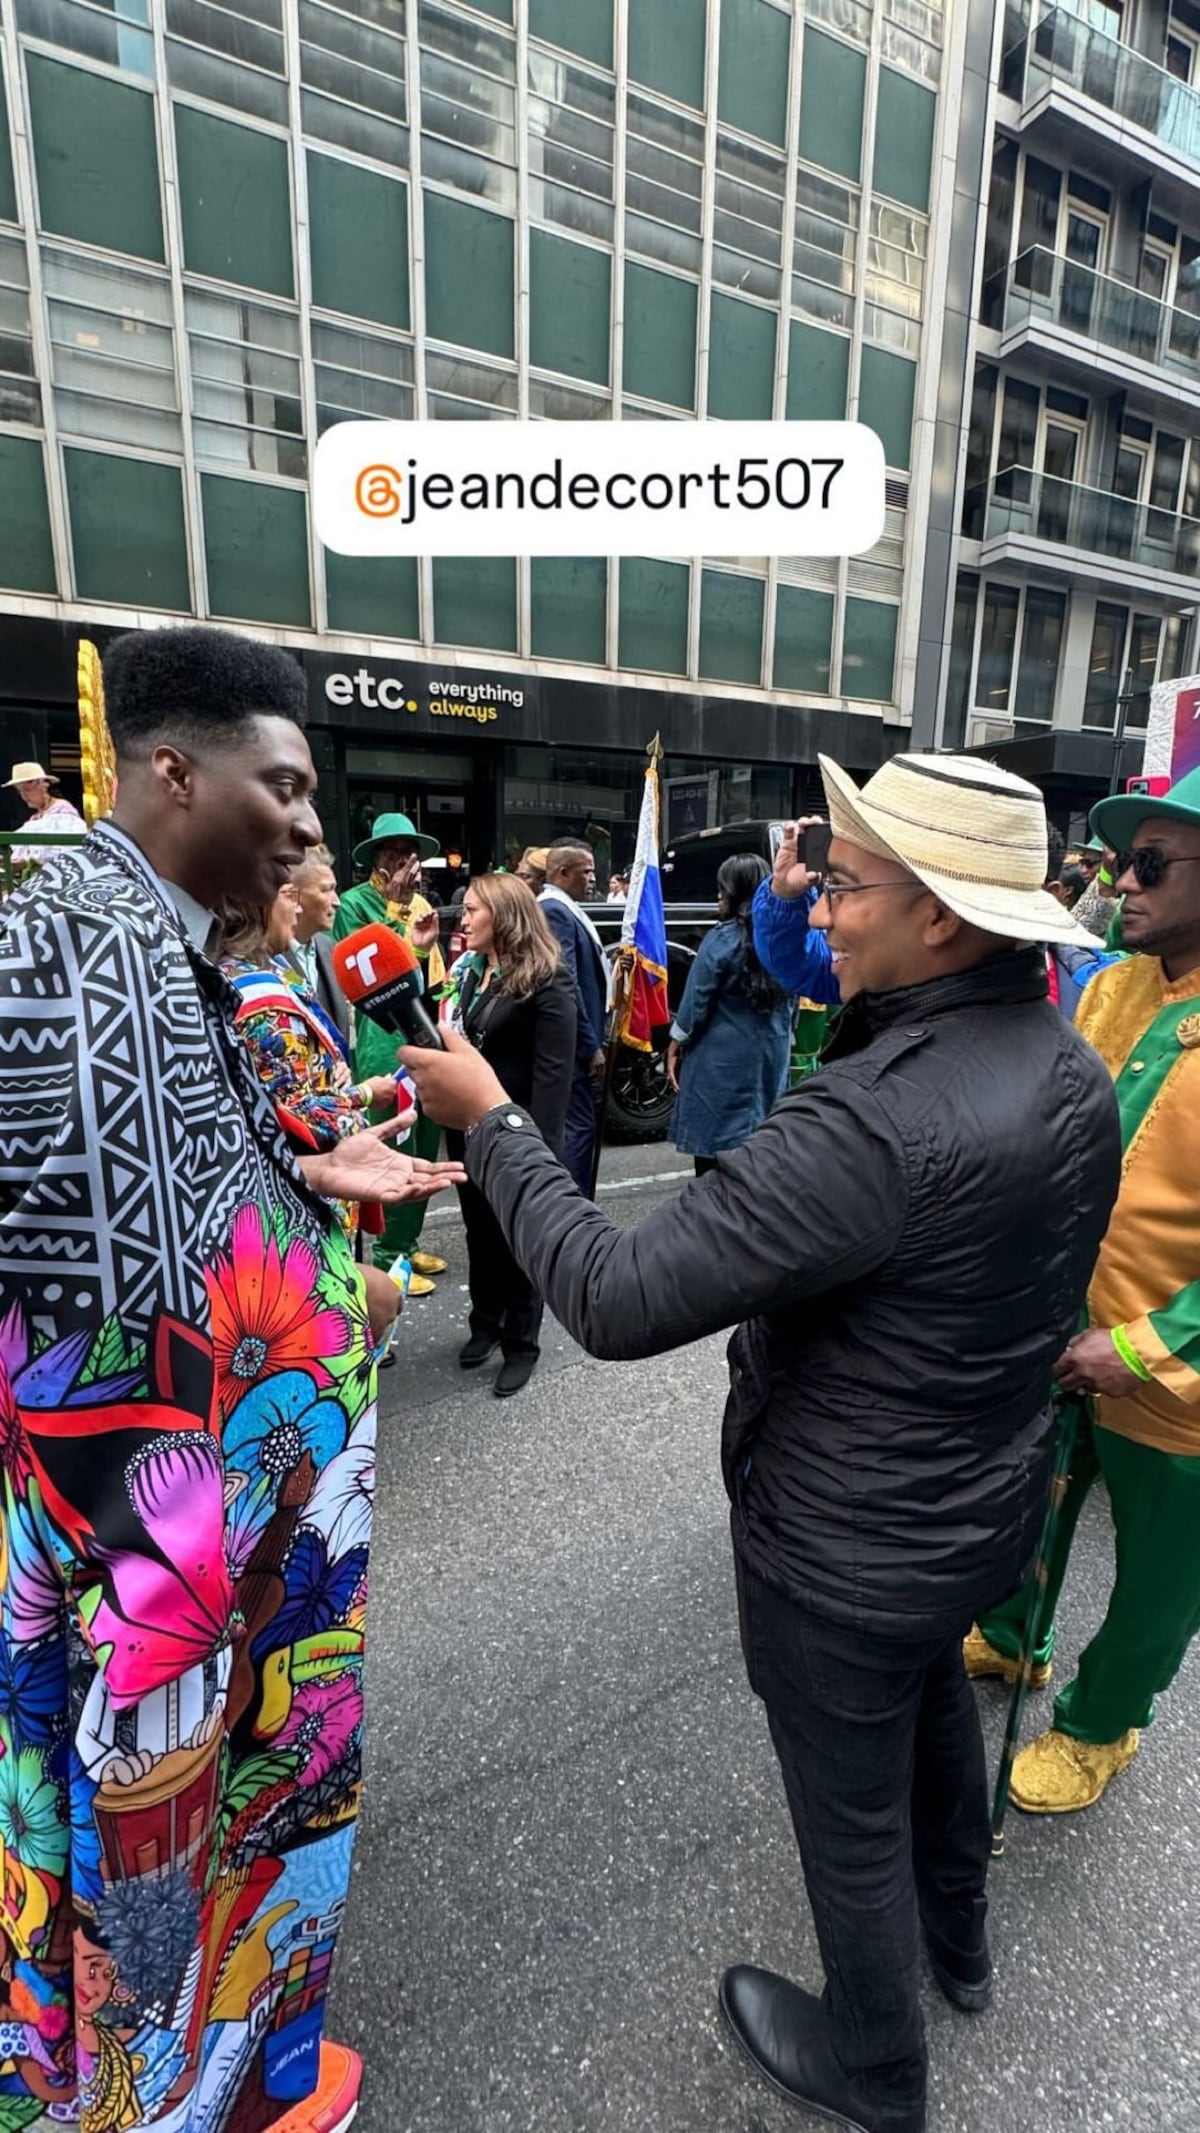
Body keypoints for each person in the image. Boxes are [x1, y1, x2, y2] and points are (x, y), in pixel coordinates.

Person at [399, 751, 1121, 2133]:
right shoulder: (1065, 1061)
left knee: (849, 1816)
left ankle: (877, 2070)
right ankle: (958, 1947)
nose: (822, 909)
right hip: (974, 1507)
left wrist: (490, 1120)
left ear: (946, 921)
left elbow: (612, 1296)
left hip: (845, 1544)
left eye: (845, 885)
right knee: (924, 1721)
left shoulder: (869, 1116)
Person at [0, 624, 462, 2133]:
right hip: (169, 1618)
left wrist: (298, 1168)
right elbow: (94, 1348)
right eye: (288, 788)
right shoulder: (62, 926)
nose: (314, 830)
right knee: (144, 1932)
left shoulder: (166, 938)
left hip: (235, 1601)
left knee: (213, 1923)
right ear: (175, 769)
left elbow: (177, 1213)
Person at [967, 764, 1200, 1814]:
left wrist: (1155, 1342)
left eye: (1148, 863)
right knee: (1033, 1506)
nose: (1121, 883)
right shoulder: (1110, 986)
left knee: (1160, 1579)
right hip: (1064, 1333)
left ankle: (1104, 1724)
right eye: (1118, 860)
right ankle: (1016, 1642)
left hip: (1178, 1379)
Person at [217, 886, 413, 1262]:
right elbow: (295, 1114)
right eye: (289, 893)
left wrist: (327, 1062)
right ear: (258, 903)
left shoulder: (234, 972)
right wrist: (364, 1094)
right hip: (305, 1205)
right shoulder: (263, 1003)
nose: (298, 906)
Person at [439, 876, 576, 1397]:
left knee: (517, 1240)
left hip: (517, 1138)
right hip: (469, 1131)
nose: (463, 919)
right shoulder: (472, 972)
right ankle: (485, 1325)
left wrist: (535, 1155)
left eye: (473, 910)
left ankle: (522, 1343)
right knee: (479, 1232)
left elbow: (553, 1078)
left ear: (505, 914)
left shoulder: (549, 979)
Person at [333, 812, 449, 1292]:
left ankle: (408, 1241)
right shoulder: (355, 903)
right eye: (393, 852)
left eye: (410, 853)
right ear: (376, 860)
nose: (404, 862)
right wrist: (397, 913)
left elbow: (426, 974)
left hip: (421, 1027)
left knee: (425, 1138)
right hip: (382, 1038)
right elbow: (371, 970)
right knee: (393, 1139)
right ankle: (386, 1255)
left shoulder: (421, 902)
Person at [666, 854, 793, 1174]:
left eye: (723, 887)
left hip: (720, 1060)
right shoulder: (783, 938)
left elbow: (696, 999)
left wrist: (676, 1041)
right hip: (770, 1054)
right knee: (761, 1147)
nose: (718, 895)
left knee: (715, 1158)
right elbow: (794, 1004)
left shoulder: (723, 937)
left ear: (737, 890)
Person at [538, 840, 608, 1197]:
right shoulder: (555, 911)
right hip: (570, 1046)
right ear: (562, 873)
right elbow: (567, 981)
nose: (593, 879)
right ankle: (574, 1209)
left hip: (571, 1041)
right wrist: (589, 1044)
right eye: (586, 871)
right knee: (577, 1128)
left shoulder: (565, 908)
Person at [289, 842, 350, 1045]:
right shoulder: (260, 959)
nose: (337, 902)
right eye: (326, 890)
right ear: (293, 897)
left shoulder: (330, 949)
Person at [4, 758, 86, 865]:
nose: (24, 796)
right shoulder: (36, 818)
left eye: (27, 790)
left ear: (43, 787)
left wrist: (28, 862)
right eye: (20, 792)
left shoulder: (62, 811)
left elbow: (65, 850)